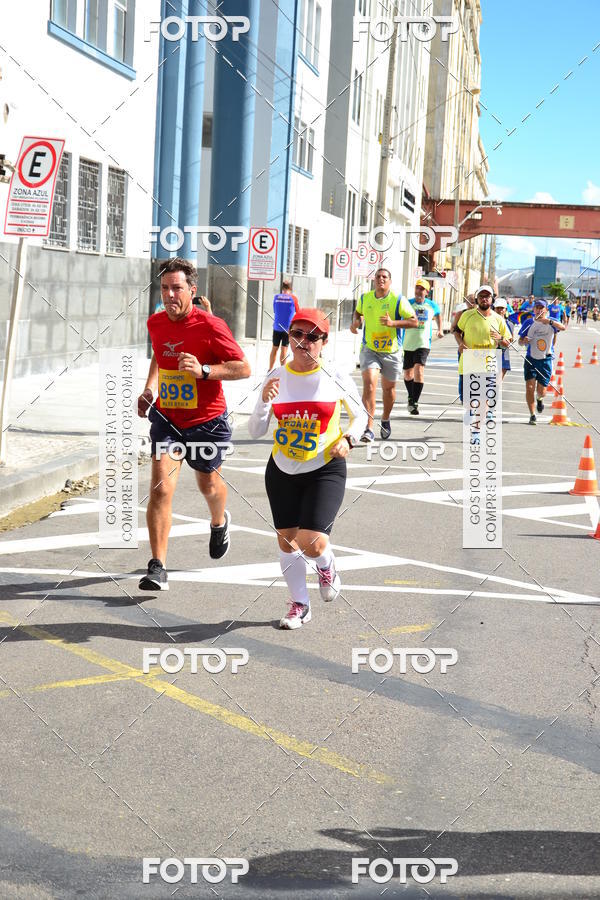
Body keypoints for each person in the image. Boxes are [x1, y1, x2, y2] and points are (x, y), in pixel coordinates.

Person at [249, 308, 367, 629]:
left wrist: (350, 439)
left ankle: (326, 564)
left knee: (312, 543)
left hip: (324, 467)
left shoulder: (336, 376)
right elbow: (256, 431)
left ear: (323, 342)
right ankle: (299, 604)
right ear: (289, 337)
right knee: (287, 542)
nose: (303, 342)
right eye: (297, 334)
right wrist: (262, 400)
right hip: (282, 470)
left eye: (312, 336)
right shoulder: (276, 376)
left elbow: (361, 416)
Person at [137, 257, 251, 590]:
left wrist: (204, 371)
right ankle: (157, 565)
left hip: (206, 421)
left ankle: (219, 521)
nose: (170, 295)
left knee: (209, 486)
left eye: (177, 288)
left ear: (192, 289)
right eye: (164, 288)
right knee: (161, 488)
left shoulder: (211, 326)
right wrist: (149, 389)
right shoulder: (156, 323)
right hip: (168, 418)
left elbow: (243, 368)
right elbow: (161, 354)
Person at [350, 268, 417, 441]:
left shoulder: (398, 300)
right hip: (370, 349)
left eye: (384, 277)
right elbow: (358, 312)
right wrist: (355, 321)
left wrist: (392, 323)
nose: (381, 279)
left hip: (391, 352)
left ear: (389, 281)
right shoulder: (365, 298)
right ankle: (368, 427)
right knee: (370, 386)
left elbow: (414, 321)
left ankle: (385, 418)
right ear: (374, 280)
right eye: (378, 277)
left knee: (388, 390)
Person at [453, 285, 511, 402]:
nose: (484, 299)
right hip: (469, 360)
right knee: (467, 399)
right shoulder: (467, 315)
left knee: (484, 398)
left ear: (492, 300)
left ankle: (481, 419)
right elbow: (457, 332)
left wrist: (500, 338)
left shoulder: (498, 319)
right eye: (481, 296)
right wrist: (460, 343)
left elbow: (508, 342)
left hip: (488, 362)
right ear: (476, 300)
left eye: (487, 296)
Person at [518, 299, 566, 424]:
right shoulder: (529, 322)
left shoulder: (551, 321)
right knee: (529, 387)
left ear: (546, 310)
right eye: (537, 308)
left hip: (546, 360)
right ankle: (532, 415)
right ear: (533, 310)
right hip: (531, 359)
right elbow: (520, 341)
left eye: (541, 308)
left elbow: (563, 327)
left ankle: (539, 399)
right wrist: (524, 341)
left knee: (542, 391)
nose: (539, 310)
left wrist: (549, 321)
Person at [402, 278, 439, 415]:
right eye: (417, 288)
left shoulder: (432, 305)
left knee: (419, 370)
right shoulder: (407, 303)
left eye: (422, 289)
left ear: (427, 292)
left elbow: (438, 315)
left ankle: (414, 402)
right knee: (407, 374)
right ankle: (411, 396)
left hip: (423, 343)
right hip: (408, 342)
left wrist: (439, 329)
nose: (419, 291)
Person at [269, 279, 299, 371]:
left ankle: (270, 369)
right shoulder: (293, 298)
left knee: (274, 348)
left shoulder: (276, 297)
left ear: (282, 287)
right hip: (287, 328)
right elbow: (298, 312)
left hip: (277, 327)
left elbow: (275, 310)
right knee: (284, 349)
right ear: (290, 288)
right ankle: (282, 370)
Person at [493, 297, 513, 380]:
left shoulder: (510, 324)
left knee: (496, 385)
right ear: (494, 309)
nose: (500, 310)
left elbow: (510, 342)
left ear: (505, 310)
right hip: (489, 355)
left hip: (503, 355)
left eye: (502, 308)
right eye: (498, 308)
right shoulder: (488, 321)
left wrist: (500, 338)